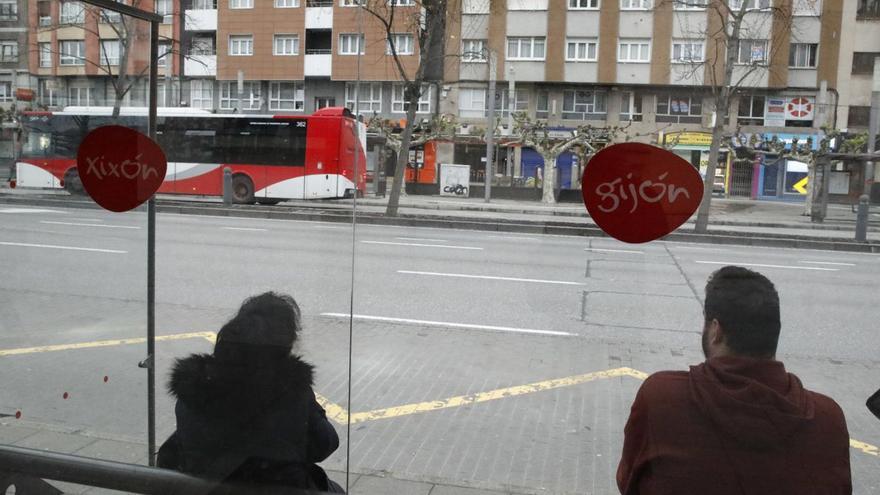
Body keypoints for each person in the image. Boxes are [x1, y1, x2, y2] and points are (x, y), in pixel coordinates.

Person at [617, 266, 851, 495]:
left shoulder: (662, 398)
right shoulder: (829, 419)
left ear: (715, 330)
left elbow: (628, 481)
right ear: (774, 333)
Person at [157, 292, 343, 493]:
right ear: (285, 344)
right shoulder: (290, 390)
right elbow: (325, 444)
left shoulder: (195, 383)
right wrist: (311, 406)